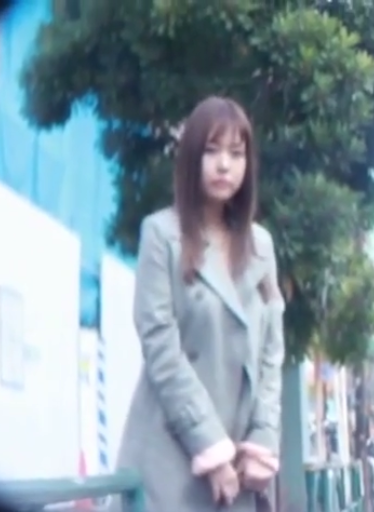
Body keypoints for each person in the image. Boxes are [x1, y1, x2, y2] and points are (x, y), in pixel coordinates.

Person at [115, 96, 285, 512]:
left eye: (236, 153)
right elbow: (161, 347)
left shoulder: (261, 246)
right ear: (192, 157)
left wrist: (262, 440)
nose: (224, 165)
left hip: (240, 473)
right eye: (212, 151)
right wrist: (212, 448)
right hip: (168, 464)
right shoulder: (161, 235)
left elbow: (271, 353)